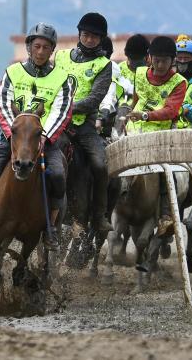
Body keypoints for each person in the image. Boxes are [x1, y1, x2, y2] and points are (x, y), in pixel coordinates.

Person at [0, 23, 73, 249]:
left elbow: (62, 111)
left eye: (46, 47)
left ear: (52, 50)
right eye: (37, 46)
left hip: (44, 141)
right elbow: (2, 103)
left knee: (58, 175)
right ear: (29, 47)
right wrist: (12, 134)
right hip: (13, 139)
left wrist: (44, 136)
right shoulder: (12, 72)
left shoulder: (62, 78)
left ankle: (51, 228)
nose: (40, 52)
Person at [53, 12, 113, 232]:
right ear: (79, 34)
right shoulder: (60, 57)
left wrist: (67, 107)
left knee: (100, 164)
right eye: (86, 35)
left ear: (101, 39)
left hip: (84, 126)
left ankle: (99, 215)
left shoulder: (103, 65)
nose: (89, 39)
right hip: (58, 123)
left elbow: (94, 99)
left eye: (94, 37)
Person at [126, 36, 187, 235]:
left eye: (165, 61)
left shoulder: (179, 82)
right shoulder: (140, 73)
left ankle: (166, 216)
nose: (160, 65)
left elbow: (171, 111)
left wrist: (145, 115)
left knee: (165, 172)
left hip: (161, 134)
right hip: (134, 130)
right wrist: (129, 117)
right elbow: (136, 99)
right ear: (149, 58)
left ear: (173, 61)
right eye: (157, 60)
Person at [118, 33, 150, 103]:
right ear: (127, 56)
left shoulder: (153, 71)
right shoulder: (119, 70)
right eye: (132, 59)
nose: (135, 63)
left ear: (147, 56)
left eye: (139, 59)